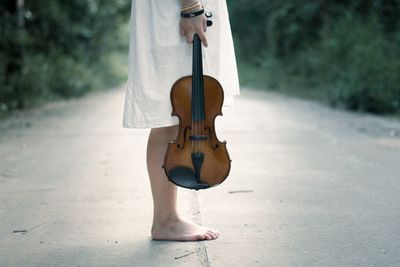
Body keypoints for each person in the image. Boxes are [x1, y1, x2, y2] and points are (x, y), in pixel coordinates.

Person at [123, 0, 240, 241]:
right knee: (170, 114)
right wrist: (190, 6)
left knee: (174, 113)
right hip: (177, 10)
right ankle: (165, 220)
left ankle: (166, 218)